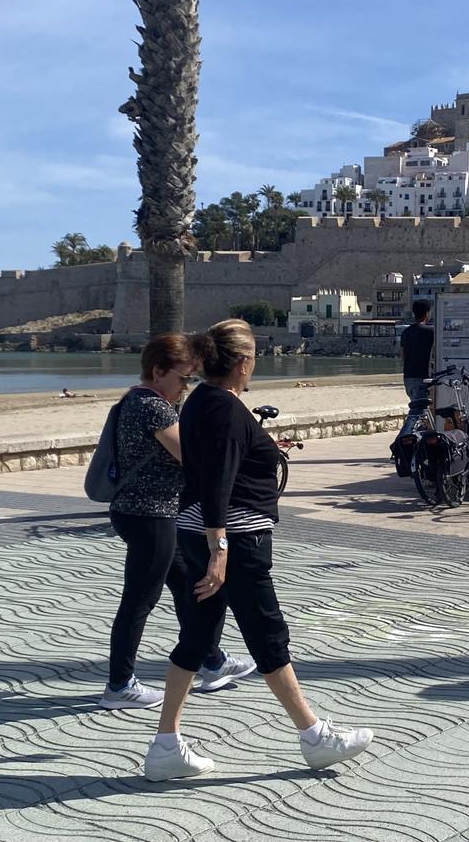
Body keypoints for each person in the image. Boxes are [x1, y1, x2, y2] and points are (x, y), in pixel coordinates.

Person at [143, 319, 373, 782]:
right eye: (254, 358)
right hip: (236, 541)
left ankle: (165, 745)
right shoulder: (226, 410)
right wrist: (220, 548)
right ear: (244, 361)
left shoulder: (201, 402)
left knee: (197, 636)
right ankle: (314, 736)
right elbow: (217, 483)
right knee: (267, 634)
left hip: (202, 532)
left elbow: (213, 467)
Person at [101, 333, 256, 711]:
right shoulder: (154, 407)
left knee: (190, 587)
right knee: (139, 600)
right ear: (158, 371)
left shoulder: (131, 399)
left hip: (142, 511)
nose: (186, 387)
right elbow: (192, 458)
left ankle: (211, 660)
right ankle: (120, 685)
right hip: (151, 515)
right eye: (184, 378)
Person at [398, 299, 435, 438]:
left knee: (421, 412)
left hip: (408, 377)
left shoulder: (406, 332)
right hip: (423, 378)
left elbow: (403, 355)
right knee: (417, 413)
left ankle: (417, 443)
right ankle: (399, 443)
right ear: (427, 314)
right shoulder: (431, 331)